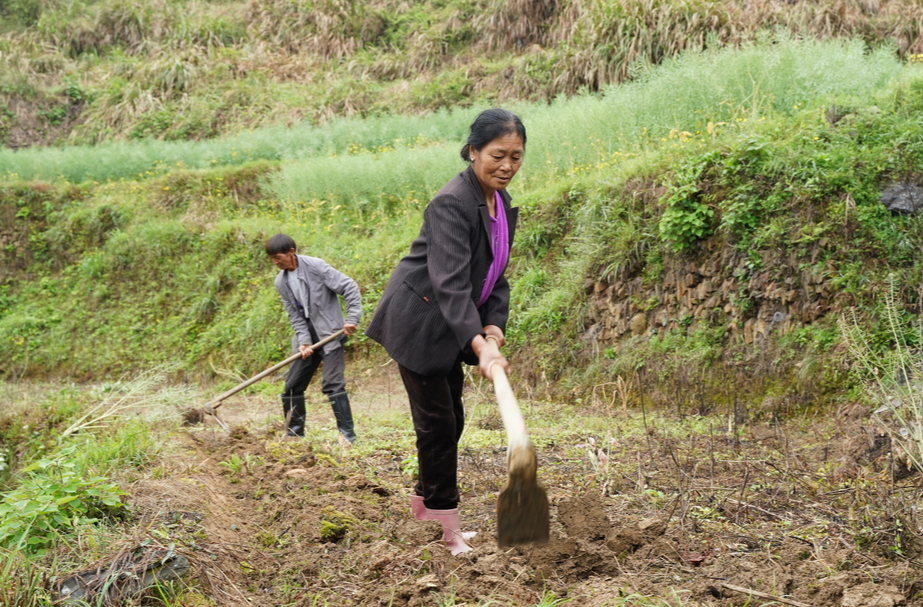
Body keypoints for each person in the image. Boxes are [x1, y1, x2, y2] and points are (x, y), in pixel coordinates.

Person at [366, 108, 525, 555]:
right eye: (497, 155)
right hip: (418, 322)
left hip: (450, 324)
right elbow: (451, 283)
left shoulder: (501, 205)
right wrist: (479, 345)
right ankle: (445, 528)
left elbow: (495, 276)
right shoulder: (452, 202)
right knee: (438, 424)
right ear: (473, 151)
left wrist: (493, 328)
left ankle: (425, 510)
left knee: (448, 421)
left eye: (516, 156)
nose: (507, 166)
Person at [266, 233, 362, 443]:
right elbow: (294, 315)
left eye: (278, 257)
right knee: (293, 385)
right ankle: (294, 436)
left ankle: (347, 437)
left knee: (332, 384)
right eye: (271, 258)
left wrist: (352, 318)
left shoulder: (315, 267)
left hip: (330, 332)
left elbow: (349, 286)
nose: (275, 262)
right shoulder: (281, 282)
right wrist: (304, 341)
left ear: (291, 252)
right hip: (308, 335)